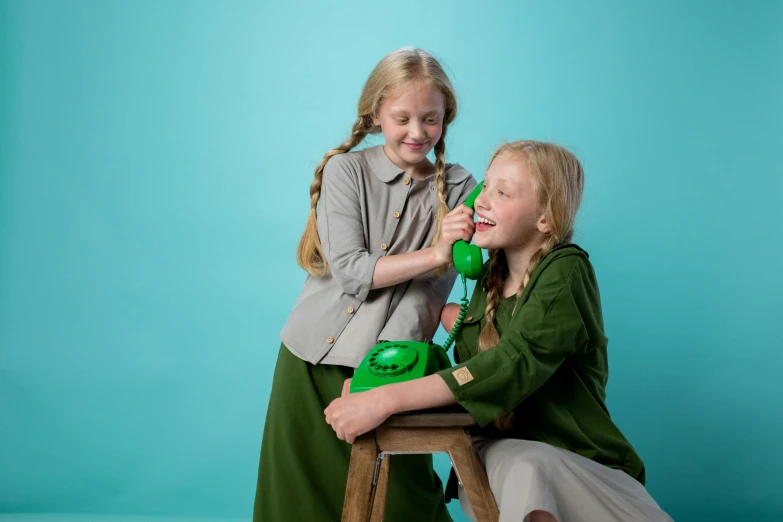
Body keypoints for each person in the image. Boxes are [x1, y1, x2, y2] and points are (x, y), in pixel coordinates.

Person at [325, 140, 672, 522]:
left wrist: (386, 400)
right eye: (484, 187)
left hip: (578, 468)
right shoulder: (488, 280)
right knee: (524, 464)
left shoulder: (566, 270)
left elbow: (510, 365)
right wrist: (368, 388)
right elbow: (469, 379)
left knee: (530, 466)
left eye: (502, 192)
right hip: (500, 461)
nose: (481, 201)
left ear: (545, 219)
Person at [252, 47, 478, 522]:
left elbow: (439, 286)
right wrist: (435, 254)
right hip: (310, 362)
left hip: (390, 368)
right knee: (297, 497)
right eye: (403, 118)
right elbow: (353, 272)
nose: (418, 132)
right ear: (376, 114)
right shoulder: (346, 171)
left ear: (446, 118)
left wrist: (381, 376)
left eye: (431, 119)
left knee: (405, 497)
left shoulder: (460, 186)